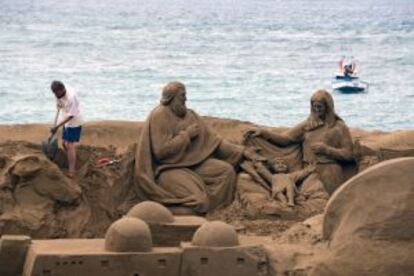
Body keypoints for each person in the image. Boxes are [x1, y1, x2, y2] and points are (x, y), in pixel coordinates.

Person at [134, 81, 263, 214]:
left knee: (226, 171)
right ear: (171, 98)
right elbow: (161, 152)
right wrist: (186, 136)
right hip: (168, 169)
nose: (185, 99)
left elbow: (215, 141)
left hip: (193, 164)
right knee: (198, 200)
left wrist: (242, 151)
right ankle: (170, 211)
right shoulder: (160, 115)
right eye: (182, 96)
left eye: (185, 95)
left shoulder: (191, 116)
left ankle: (215, 210)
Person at [246, 89, 354, 195]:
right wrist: (264, 133)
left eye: (319, 106)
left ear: (328, 107)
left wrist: (327, 150)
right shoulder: (307, 125)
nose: (316, 109)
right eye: (314, 106)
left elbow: (349, 154)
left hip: (329, 171)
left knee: (330, 203)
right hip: (308, 171)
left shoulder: (339, 127)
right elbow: (285, 139)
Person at [50, 81, 82, 177]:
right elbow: (59, 103)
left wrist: (57, 126)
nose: (56, 95)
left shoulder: (72, 97)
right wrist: (58, 104)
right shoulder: (57, 93)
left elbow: (71, 116)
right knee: (64, 143)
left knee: (70, 144)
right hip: (65, 119)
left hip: (75, 121)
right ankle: (71, 159)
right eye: (54, 93)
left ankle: (72, 170)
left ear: (62, 90)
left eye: (57, 93)